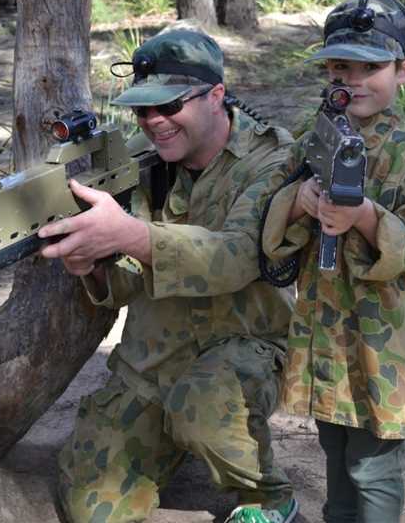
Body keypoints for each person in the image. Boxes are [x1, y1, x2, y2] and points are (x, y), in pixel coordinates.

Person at [38, 29, 300, 523]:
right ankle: (173, 437)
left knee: (201, 406)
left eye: (170, 105)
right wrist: (92, 267)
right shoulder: (140, 159)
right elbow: (126, 280)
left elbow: (238, 257)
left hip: (243, 347)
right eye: (143, 110)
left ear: (216, 95)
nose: (155, 121)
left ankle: (268, 496)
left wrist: (127, 234)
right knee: (92, 510)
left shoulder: (273, 159)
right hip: (154, 359)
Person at [259, 0, 405, 523]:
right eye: (340, 68)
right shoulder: (313, 133)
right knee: (336, 449)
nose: (352, 81)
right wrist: (296, 202)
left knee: (373, 464)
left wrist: (364, 218)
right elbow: (274, 212)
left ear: (404, 70)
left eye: (371, 67)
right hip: (325, 332)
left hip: (379, 343)